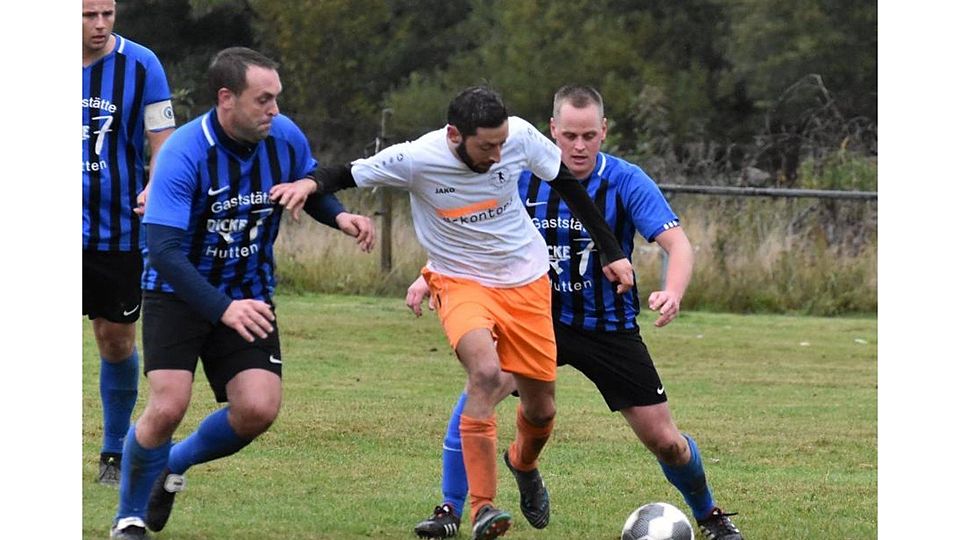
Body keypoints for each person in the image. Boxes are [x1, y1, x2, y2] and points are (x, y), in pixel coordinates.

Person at [407, 86, 744, 540]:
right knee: (480, 388)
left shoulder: (625, 180)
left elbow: (676, 243)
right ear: (552, 131)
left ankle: (710, 517)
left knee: (665, 440)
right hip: (532, 315)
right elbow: (467, 232)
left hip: (607, 327)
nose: (579, 146)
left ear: (604, 131)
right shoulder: (515, 174)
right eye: (569, 135)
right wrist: (430, 274)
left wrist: (673, 290)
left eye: (589, 135)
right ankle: (451, 509)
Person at [300, 86, 635, 540]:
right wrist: (308, 184)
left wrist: (612, 251)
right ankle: (481, 509)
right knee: (484, 372)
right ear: (455, 134)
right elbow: (344, 173)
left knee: (540, 410)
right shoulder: (416, 157)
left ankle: (524, 463)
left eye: (501, 144)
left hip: (527, 281)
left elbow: (567, 185)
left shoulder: (517, 136)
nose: (498, 155)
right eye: (486, 146)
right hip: (460, 282)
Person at [108, 47, 376, 540]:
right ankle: (128, 517)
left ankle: (171, 468)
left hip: (248, 292)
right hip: (178, 291)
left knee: (258, 409)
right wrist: (221, 308)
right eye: (264, 99)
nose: (274, 110)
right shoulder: (184, 153)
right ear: (226, 99)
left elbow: (304, 188)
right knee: (167, 406)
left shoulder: (284, 137)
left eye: (277, 98)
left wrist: (341, 217)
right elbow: (164, 251)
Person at [83, 0, 176, 486]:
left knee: (115, 339)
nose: (100, 25)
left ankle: (114, 453)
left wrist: (153, 186)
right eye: (86, 15)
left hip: (114, 229)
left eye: (107, 13)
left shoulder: (141, 64)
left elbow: (163, 138)